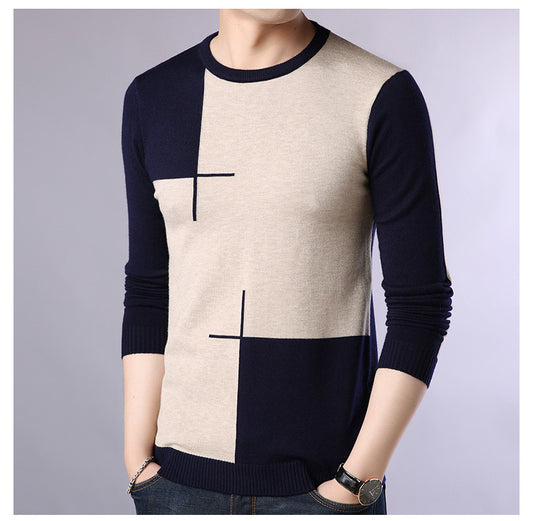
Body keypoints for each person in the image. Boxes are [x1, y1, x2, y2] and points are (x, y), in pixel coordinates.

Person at [120, 9, 453, 515]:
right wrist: (138, 463)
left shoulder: (379, 93)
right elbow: (149, 290)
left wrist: (353, 482)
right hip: (174, 485)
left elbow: (421, 307)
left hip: (324, 487)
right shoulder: (154, 97)